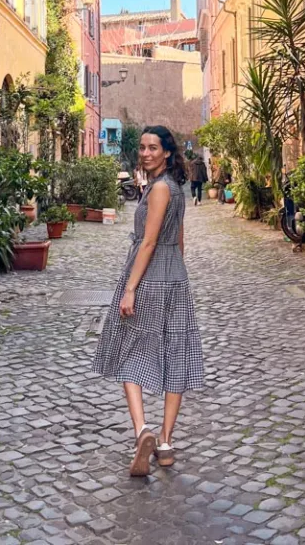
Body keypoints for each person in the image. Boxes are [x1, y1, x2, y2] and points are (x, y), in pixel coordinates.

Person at [92, 125, 204, 476]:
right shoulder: (177, 189)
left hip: (150, 277)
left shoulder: (158, 190)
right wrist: (178, 276)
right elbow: (179, 240)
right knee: (176, 354)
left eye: (153, 148)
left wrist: (130, 288)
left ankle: (143, 430)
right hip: (175, 277)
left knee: (131, 352)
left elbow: (149, 242)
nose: (145, 153)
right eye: (142, 147)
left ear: (168, 153)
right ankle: (166, 443)